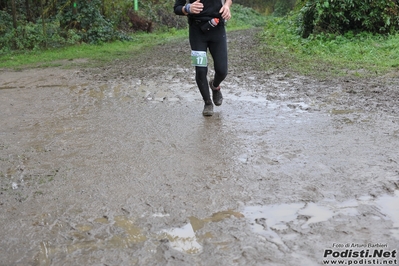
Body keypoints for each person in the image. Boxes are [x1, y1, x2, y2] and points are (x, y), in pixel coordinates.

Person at [174, 0, 232, 116]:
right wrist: (188, 8)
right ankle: (207, 103)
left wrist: (227, 5)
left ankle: (215, 86)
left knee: (222, 70)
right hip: (197, 31)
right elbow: (177, 8)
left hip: (217, 27)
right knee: (201, 70)